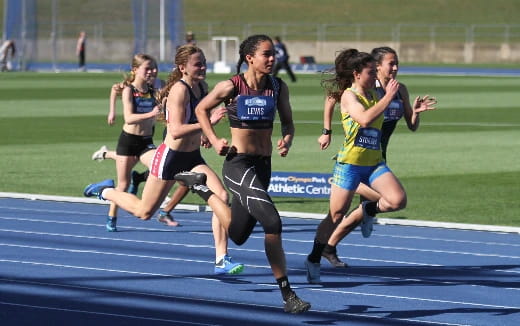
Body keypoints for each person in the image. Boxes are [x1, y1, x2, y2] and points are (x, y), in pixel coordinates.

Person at [173, 34, 310, 313]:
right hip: (238, 164)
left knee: (238, 234)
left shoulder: (278, 87)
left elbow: (288, 122)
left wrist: (287, 138)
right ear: (250, 58)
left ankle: (201, 189)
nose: (273, 59)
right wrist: (212, 138)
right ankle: (288, 295)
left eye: (274, 55)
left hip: (263, 166)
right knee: (273, 222)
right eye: (267, 55)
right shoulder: (231, 86)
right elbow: (201, 109)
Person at [83, 44, 244, 275]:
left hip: (191, 156)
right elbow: (176, 130)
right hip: (169, 158)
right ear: (183, 68)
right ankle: (105, 191)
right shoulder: (179, 91)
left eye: (204, 62)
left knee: (221, 195)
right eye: (198, 64)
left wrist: (206, 135)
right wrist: (209, 124)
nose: (203, 67)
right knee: (144, 212)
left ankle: (221, 259)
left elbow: (197, 121)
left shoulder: (203, 87)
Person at [314, 47, 437, 269]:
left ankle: (330, 246)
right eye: (391, 63)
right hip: (356, 156)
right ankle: (346, 197)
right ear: (377, 66)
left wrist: (415, 113)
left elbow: (411, 125)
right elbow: (333, 99)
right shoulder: (365, 89)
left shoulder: (400, 90)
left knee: (371, 207)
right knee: (351, 208)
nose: (396, 68)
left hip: (378, 155)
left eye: (397, 62)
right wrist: (326, 131)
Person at [303, 48, 407, 284]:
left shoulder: (373, 94)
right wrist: (326, 131)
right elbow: (365, 119)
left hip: (373, 163)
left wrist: (409, 110)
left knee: (397, 200)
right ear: (357, 74)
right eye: (371, 73)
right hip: (350, 164)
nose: (374, 77)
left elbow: (385, 117)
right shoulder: (350, 96)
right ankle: (314, 257)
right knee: (336, 215)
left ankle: (369, 209)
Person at [91, 63, 189, 227]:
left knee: (164, 166)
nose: (152, 71)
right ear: (136, 70)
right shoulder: (128, 88)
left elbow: (173, 89)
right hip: (128, 141)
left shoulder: (155, 87)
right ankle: (111, 217)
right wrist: (112, 111)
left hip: (145, 142)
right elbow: (120, 99)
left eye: (154, 68)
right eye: (148, 69)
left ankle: (138, 180)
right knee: (123, 184)